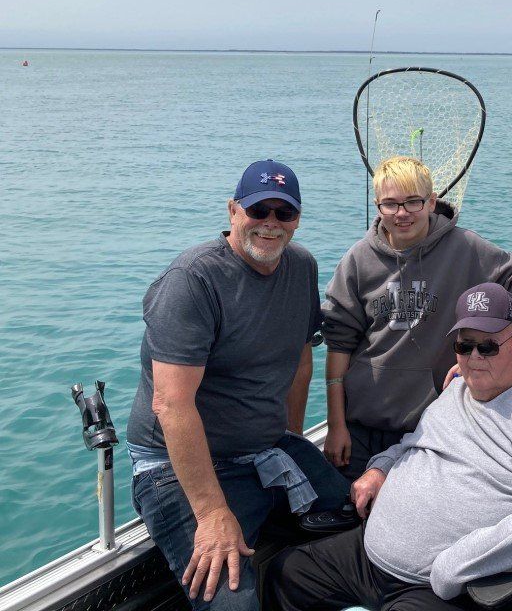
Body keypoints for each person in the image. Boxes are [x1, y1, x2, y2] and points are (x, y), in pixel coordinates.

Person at [264, 282, 512, 611]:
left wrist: (456, 564)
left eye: (488, 347)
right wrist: (381, 468)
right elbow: (415, 444)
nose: (475, 358)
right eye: (465, 346)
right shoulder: (457, 389)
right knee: (287, 574)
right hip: (371, 556)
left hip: (450, 584)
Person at [125, 160, 346, 611]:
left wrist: (293, 438)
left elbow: (300, 360)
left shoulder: (301, 266)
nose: (270, 224)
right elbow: (171, 404)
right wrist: (210, 513)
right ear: (232, 211)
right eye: (257, 210)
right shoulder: (193, 280)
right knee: (230, 601)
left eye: (283, 214)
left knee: (362, 523)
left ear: (297, 219)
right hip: (176, 464)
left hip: (266, 447)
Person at [320, 155, 512, 481]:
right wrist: (336, 426)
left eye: (413, 202)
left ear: (432, 202)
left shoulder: (466, 247)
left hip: (431, 427)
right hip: (359, 426)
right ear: (378, 206)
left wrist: (493, 353)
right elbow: (339, 346)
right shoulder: (357, 260)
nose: (402, 213)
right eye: (390, 204)